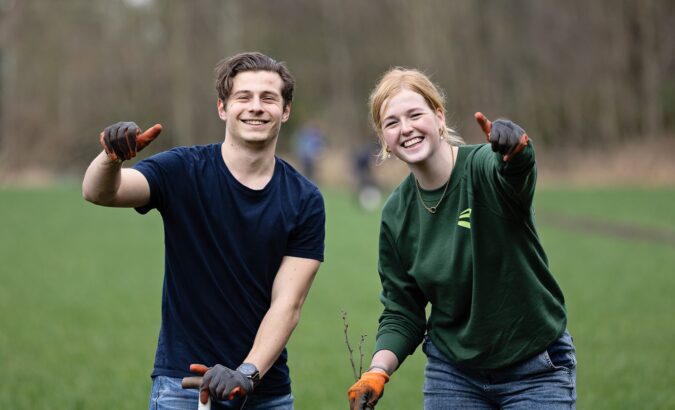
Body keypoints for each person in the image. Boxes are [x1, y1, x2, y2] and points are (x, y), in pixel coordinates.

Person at [83, 52, 325, 410]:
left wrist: (247, 372)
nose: (255, 107)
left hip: (264, 392)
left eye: (268, 98)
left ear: (285, 111)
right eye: (243, 97)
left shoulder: (305, 199)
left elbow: (287, 304)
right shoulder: (182, 170)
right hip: (184, 385)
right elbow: (100, 191)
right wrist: (110, 158)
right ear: (222, 108)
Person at [347, 68, 576, 409]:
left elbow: (514, 173)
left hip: (534, 367)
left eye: (415, 115)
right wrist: (377, 371)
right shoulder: (396, 213)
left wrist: (515, 150)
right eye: (392, 123)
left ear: (439, 117)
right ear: (384, 139)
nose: (406, 128)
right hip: (453, 374)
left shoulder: (483, 166)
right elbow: (402, 309)